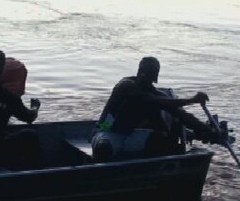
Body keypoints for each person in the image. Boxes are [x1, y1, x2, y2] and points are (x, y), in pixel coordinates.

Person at [89, 56, 221, 160]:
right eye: (145, 75)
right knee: (103, 148)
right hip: (108, 131)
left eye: (151, 78)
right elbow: (154, 101)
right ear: (139, 72)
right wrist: (192, 100)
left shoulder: (156, 94)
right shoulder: (125, 86)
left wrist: (207, 130)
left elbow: (181, 115)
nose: (147, 80)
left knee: (162, 139)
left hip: (129, 134)